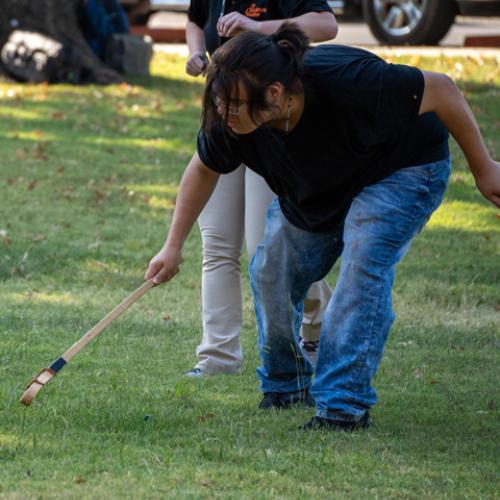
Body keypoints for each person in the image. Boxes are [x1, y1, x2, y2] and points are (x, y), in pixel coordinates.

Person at [145, 25, 500, 430]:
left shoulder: (349, 83)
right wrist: (172, 247)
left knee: (363, 263)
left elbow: (443, 89)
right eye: (218, 103)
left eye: (233, 105)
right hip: (319, 186)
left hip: (401, 168)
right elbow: (203, 169)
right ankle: (287, 383)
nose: (223, 114)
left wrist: (484, 169)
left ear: (275, 94)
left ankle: (342, 406)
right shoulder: (233, 119)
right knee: (270, 269)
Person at [183, 1, 338, 377]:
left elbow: (326, 26)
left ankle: (320, 325)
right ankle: (217, 358)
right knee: (217, 244)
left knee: (265, 249)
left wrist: (261, 28)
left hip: (265, 125)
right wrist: (194, 54)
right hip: (224, 120)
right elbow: (194, 20)